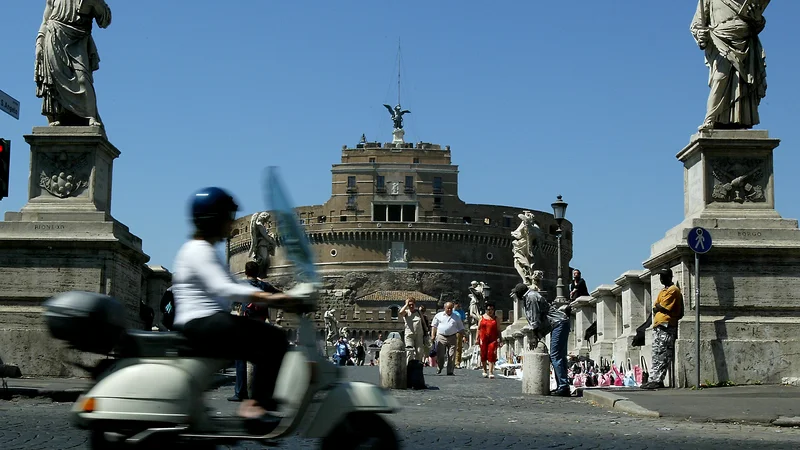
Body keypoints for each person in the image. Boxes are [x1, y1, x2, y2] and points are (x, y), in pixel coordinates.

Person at [172, 187, 295, 423]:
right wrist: (268, 298)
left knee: (262, 342)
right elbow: (226, 288)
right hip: (202, 324)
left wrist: (280, 294)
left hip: (203, 323)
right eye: (227, 218)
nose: (230, 225)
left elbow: (230, 283)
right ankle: (255, 407)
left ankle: (257, 401)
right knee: (273, 339)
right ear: (213, 219)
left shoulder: (203, 250)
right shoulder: (198, 251)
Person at [690, 0, 768, 131]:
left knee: (743, 82)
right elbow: (696, 25)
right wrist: (700, 35)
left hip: (746, 42)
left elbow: (757, 25)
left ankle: (741, 119)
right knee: (720, 78)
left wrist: (757, 18)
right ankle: (711, 118)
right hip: (720, 40)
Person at [35, 0, 112, 127]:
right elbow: (45, 20)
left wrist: (95, 3)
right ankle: (57, 115)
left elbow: (105, 20)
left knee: (82, 78)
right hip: (54, 35)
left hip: (78, 38)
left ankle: (90, 116)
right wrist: (39, 41)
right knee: (54, 78)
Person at [514, 279, 571, 397]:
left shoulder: (531, 297)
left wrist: (534, 336)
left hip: (558, 323)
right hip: (560, 323)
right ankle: (563, 385)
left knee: (556, 355)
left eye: (516, 293)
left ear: (520, 293)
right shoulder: (530, 296)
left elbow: (534, 318)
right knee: (560, 356)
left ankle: (563, 387)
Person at [642, 268, 684, 390]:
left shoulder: (673, 290)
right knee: (656, 353)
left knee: (662, 353)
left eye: (664, 276)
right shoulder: (663, 291)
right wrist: (659, 307)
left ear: (670, 277)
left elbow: (665, 307)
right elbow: (656, 306)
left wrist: (659, 307)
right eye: (660, 276)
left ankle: (657, 379)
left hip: (667, 325)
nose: (661, 279)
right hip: (659, 325)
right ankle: (653, 379)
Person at [431, 302, 468, 375]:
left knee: (452, 355)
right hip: (441, 336)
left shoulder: (456, 317)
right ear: (444, 308)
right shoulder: (438, 315)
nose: (449, 310)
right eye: (448, 308)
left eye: (451, 308)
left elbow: (461, 328)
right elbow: (434, 326)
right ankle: (439, 367)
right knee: (440, 355)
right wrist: (433, 335)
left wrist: (464, 336)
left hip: (452, 337)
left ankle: (450, 371)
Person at [477, 302, 501, 379]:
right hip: (483, 338)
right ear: (486, 310)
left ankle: (490, 371)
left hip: (493, 338)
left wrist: (500, 339)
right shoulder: (482, 318)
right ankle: (484, 370)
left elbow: (498, 330)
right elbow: (478, 328)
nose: (490, 311)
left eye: (492, 309)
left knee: (491, 354)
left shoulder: (496, 319)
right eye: (488, 309)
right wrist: (477, 338)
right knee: (483, 354)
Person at [399, 297, 425, 364]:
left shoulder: (418, 312)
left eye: (412, 304)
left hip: (419, 335)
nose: (411, 306)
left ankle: (417, 366)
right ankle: (408, 366)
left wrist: (426, 332)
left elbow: (423, 322)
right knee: (409, 351)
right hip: (409, 335)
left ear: (415, 304)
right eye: (409, 305)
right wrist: (406, 304)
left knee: (419, 352)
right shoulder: (406, 312)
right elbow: (401, 312)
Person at [453, 301, 467, 368]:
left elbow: (463, 322)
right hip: (451, 331)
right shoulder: (451, 312)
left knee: (458, 347)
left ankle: (457, 362)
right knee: (451, 347)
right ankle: (451, 361)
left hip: (458, 331)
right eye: (456, 305)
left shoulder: (462, 312)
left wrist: (464, 333)